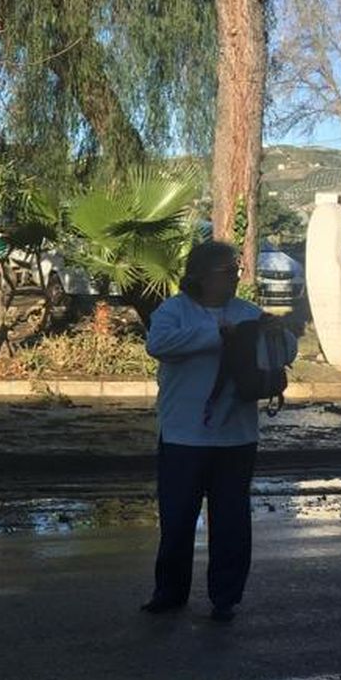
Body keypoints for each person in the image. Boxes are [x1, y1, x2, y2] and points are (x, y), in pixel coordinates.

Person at [141, 240, 298, 622]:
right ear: (200, 275)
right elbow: (157, 344)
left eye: (235, 272)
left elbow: (287, 354)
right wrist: (218, 337)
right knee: (177, 519)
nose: (234, 278)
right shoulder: (174, 311)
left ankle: (225, 597)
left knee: (231, 522)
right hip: (183, 435)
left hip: (237, 436)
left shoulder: (247, 312)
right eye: (227, 271)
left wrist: (277, 333)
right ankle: (170, 592)